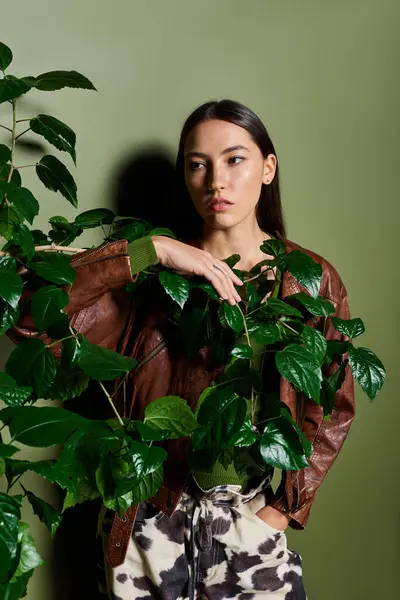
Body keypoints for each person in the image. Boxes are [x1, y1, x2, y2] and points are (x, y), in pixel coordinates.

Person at [10, 100, 355, 600]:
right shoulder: (152, 275)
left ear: (267, 167)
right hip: (147, 518)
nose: (216, 180)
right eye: (198, 164)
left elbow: (333, 403)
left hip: (249, 521)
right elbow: (28, 320)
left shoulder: (307, 279)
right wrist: (155, 250)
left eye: (235, 159)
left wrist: (283, 510)